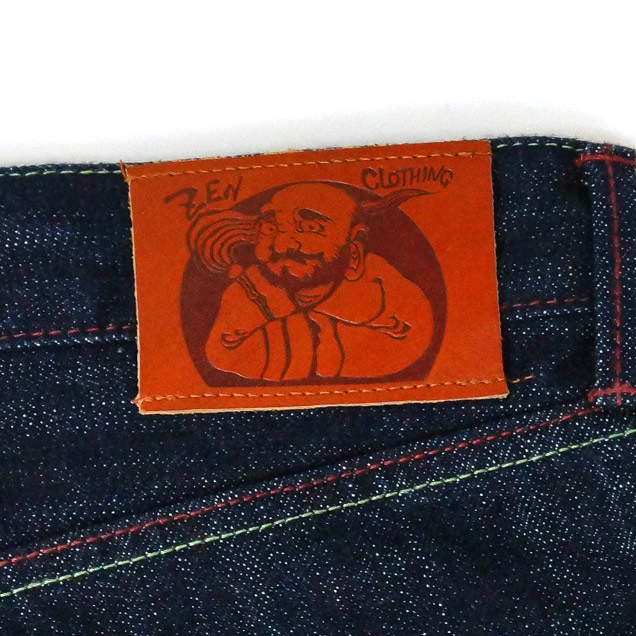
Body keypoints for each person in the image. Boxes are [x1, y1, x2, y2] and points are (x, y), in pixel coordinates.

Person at [204, 182, 434, 381]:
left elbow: (411, 341)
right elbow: (222, 355)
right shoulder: (246, 292)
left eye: (310, 228)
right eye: (271, 228)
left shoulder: (383, 288)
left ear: (354, 249)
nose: (281, 245)